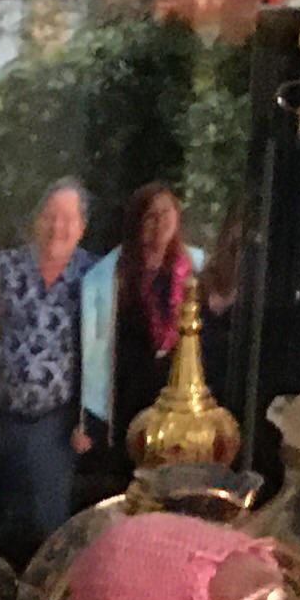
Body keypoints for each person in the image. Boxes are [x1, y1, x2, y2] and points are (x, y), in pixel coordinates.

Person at [0, 180, 96, 562]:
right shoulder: (5, 268)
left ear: (82, 227)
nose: (58, 227)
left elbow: (101, 354)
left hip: (54, 423)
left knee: (46, 526)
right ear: (36, 221)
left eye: (68, 219)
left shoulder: (94, 276)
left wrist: (89, 420)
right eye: (50, 216)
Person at [104, 182, 199, 468]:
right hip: (130, 394)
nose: (160, 222)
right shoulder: (116, 273)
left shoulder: (192, 268)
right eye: (150, 216)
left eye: (166, 212)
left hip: (178, 391)